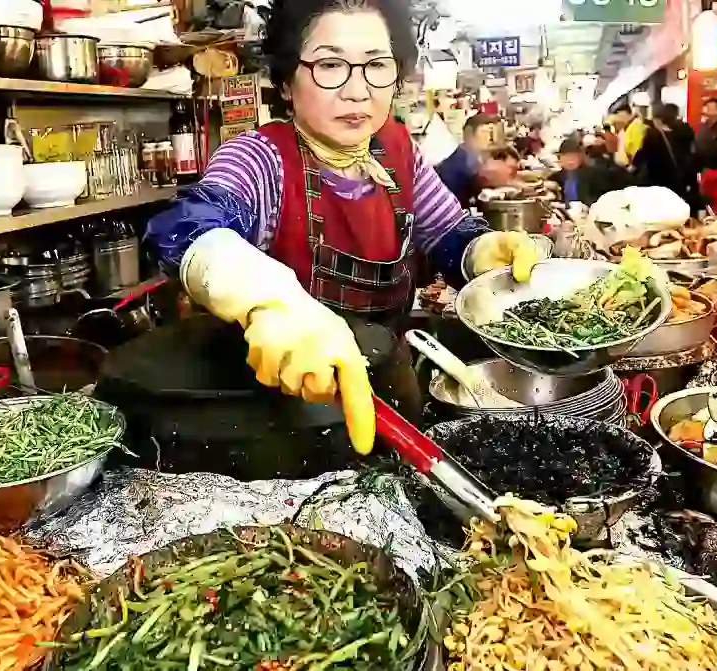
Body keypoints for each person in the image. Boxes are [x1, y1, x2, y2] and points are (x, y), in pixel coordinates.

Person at [144, 0, 537, 456]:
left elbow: (445, 231)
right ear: (288, 82)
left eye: (376, 65)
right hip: (288, 424)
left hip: (391, 395)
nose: (358, 91)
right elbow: (183, 227)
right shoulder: (261, 160)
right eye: (330, 65)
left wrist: (478, 249)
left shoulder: (396, 152)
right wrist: (266, 300)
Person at [633, 103, 700, 212]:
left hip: (658, 185)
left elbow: (641, 158)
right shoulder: (686, 131)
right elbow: (693, 155)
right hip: (681, 182)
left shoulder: (653, 135)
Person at [433, 114, 513, 204]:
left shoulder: (471, 156)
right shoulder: (462, 159)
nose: (492, 139)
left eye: (495, 133)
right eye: (488, 132)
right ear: (469, 134)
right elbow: (488, 179)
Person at [552, 136, 625, 205]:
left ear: (581, 156)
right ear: (560, 158)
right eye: (566, 157)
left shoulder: (597, 175)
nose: (570, 161)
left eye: (573, 156)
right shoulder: (556, 178)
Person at [696, 96, 717, 167]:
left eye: (712, 109)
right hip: (701, 166)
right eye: (708, 108)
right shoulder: (701, 127)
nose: (709, 111)